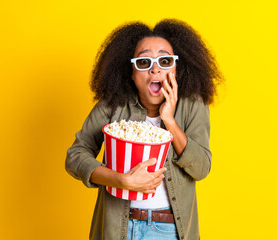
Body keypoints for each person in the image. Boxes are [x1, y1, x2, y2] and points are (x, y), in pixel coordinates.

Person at [65, 19, 223, 240]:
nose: (155, 68)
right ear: (131, 72)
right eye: (144, 61)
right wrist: (120, 180)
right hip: (117, 228)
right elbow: (75, 155)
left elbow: (201, 168)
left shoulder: (193, 105)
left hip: (168, 231)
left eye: (165, 61)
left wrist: (169, 121)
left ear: (176, 69)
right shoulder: (113, 105)